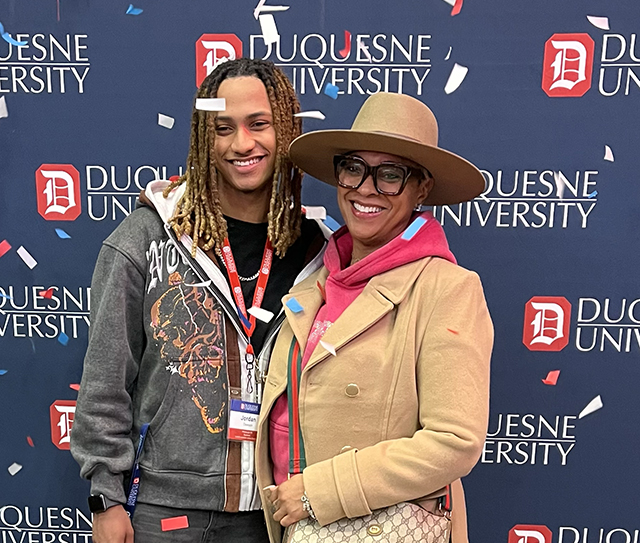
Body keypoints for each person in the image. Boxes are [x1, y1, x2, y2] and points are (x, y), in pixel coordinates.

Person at [70, 58, 328, 543]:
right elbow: (105, 380)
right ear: (202, 139)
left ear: (287, 131)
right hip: (161, 510)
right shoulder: (145, 239)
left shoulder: (318, 252)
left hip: (274, 512)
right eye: (223, 128)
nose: (241, 144)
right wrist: (105, 496)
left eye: (259, 124)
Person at [255, 92, 493, 543]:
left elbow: (454, 442)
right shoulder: (313, 281)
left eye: (389, 175)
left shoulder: (447, 289)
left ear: (422, 189)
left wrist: (319, 491)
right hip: (297, 529)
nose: (365, 188)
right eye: (353, 167)